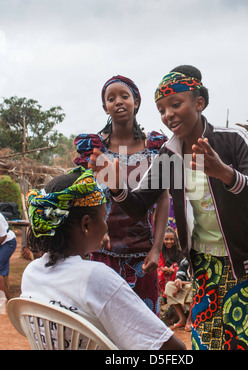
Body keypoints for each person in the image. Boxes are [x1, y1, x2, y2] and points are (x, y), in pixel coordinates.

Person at [90, 65, 248, 350]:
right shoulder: (169, 155)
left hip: (245, 263)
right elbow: (139, 205)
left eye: (176, 104)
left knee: (245, 343)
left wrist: (225, 173)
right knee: (206, 342)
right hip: (203, 265)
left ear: (198, 103)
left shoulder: (232, 140)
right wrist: (116, 187)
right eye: (162, 109)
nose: (168, 115)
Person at [21, 167, 186, 350]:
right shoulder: (95, 277)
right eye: (103, 217)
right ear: (86, 225)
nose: (106, 225)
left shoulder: (31, 273)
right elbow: (174, 349)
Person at [74, 75, 169, 315]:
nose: (118, 102)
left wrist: (156, 249)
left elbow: (162, 200)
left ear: (136, 102)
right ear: (104, 106)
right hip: (103, 251)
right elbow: (86, 196)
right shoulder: (95, 150)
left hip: (143, 255)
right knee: (104, 323)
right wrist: (91, 235)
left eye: (124, 96)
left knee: (144, 323)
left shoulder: (154, 149)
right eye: (111, 98)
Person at [164, 257, 192, 331]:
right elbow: (179, 276)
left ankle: (190, 319)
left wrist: (181, 283)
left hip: (195, 287)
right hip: (186, 286)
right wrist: (178, 282)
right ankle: (182, 319)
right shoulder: (185, 262)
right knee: (169, 285)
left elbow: (198, 281)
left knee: (195, 289)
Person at [158, 227, 183, 300]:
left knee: (177, 270)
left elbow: (180, 265)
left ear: (175, 240)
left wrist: (173, 269)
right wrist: (164, 269)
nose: (169, 242)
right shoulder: (160, 252)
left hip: (174, 273)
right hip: (164, 272)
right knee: (158, 272)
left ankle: (172, 294)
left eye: (171, 239)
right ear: (163, 240)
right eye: (166, 239)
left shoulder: (179, 252)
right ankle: (162, 294)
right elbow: (159, 264)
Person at [0, 211, 17, 299]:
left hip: (7, 242)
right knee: (3, 274)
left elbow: (3, 236)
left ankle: (3, 301)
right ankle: (8, 300)